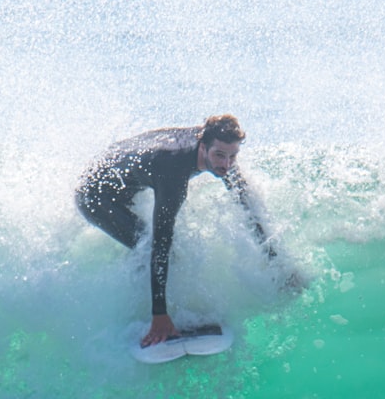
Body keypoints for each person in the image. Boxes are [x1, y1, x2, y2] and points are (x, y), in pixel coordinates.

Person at [75, 114, 278, 347]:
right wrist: (159, 313)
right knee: (158, 249)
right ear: (203, 148)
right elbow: (161, 243)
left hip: (120, 172)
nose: (227, 164)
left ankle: (155, 303)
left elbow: (245, 202)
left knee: (153, 245)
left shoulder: (219, 147)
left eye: (233, 156)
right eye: (220, 156)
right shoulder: (174, 171)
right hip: (95, 195)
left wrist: (273, 259)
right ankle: (154, 319)